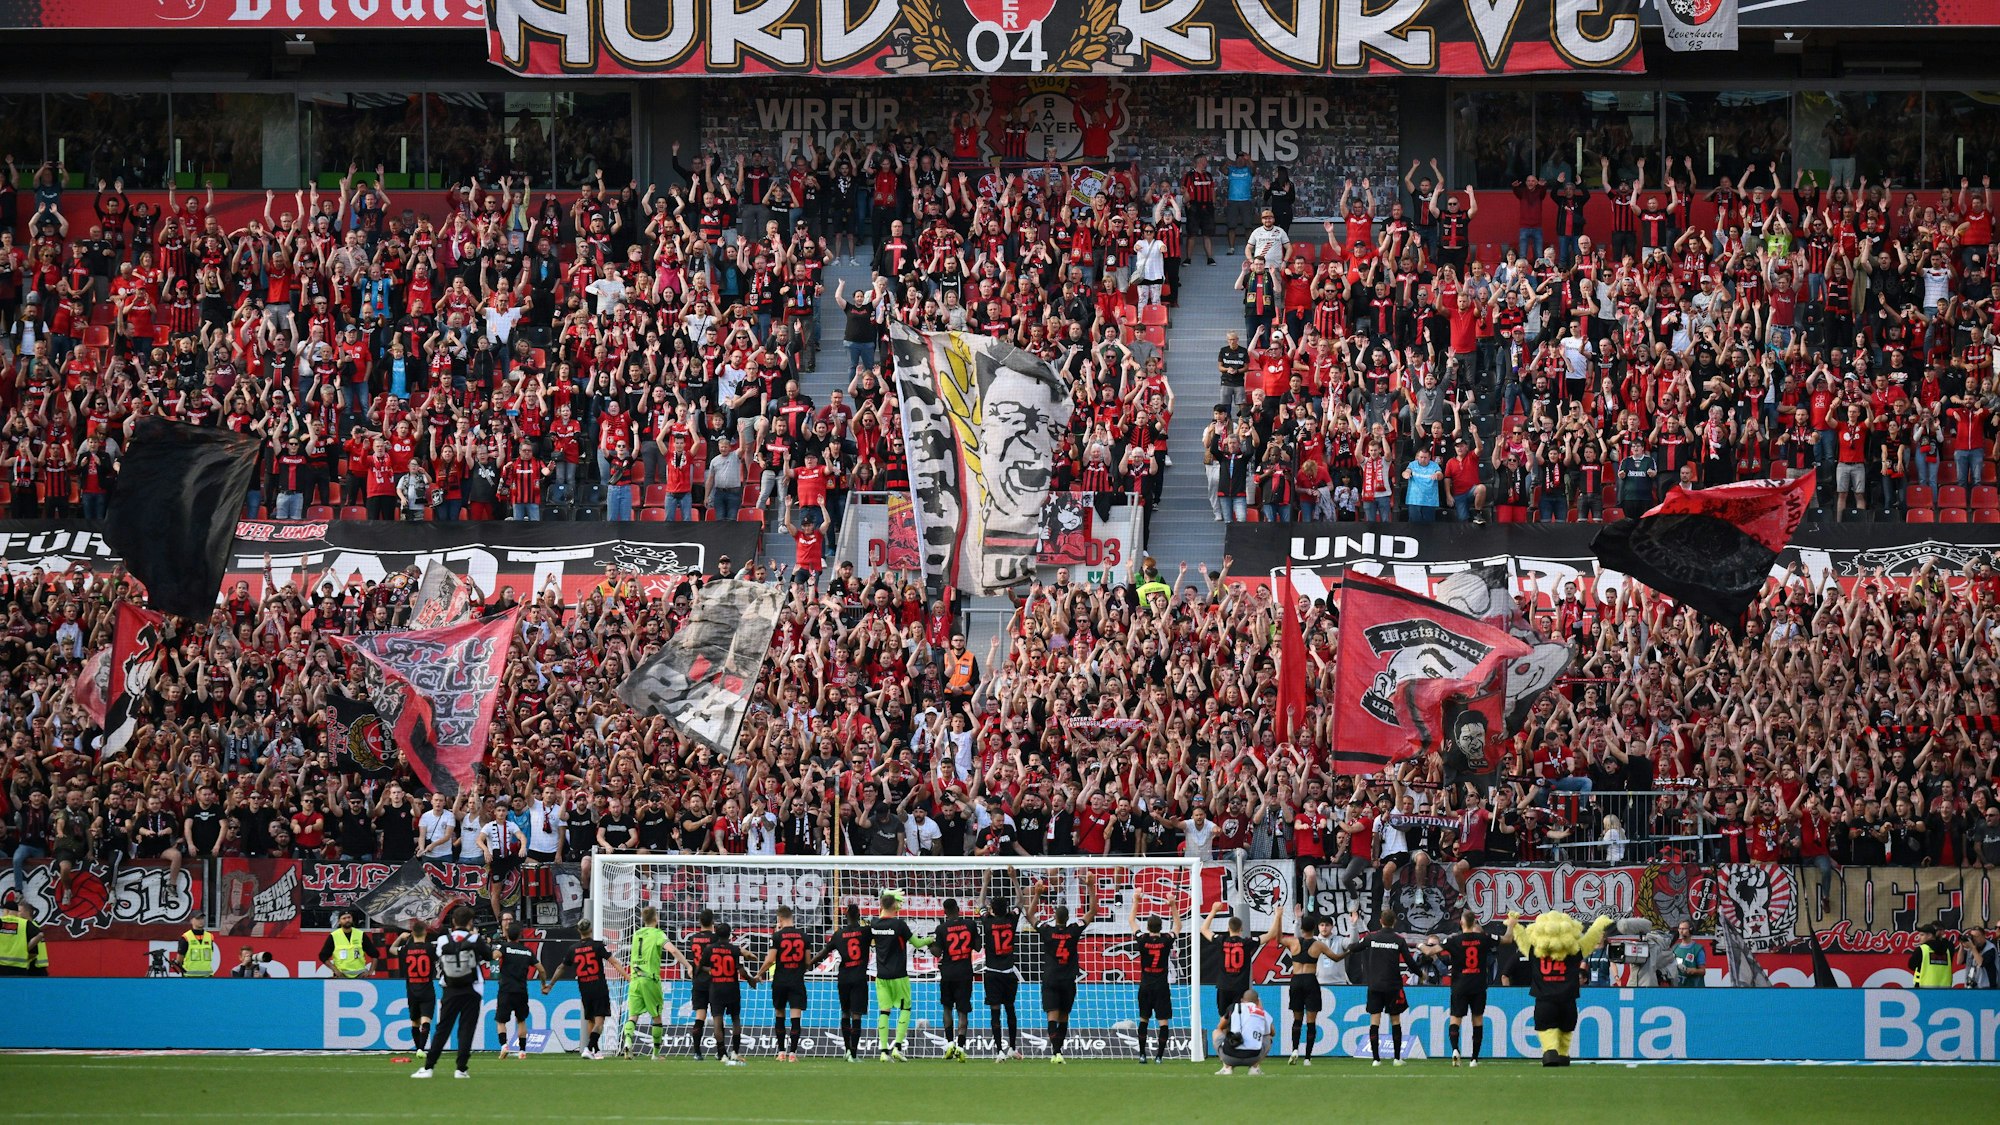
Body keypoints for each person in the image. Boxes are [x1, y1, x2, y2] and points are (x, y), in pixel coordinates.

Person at [1025, 875, 1098, 1063]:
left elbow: (1030, 916)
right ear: (1067, 918)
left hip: (1050, 978)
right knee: (1064, 1016)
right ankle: (1059, 1053)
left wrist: (1037, 895)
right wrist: (1091, 887)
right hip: (1067, 979)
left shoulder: (1047, 931)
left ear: (1055, 917)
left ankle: (1055, 1053)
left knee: (1052, 1016)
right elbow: (1092, 911)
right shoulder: (1073, 930)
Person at [413, 906, 487, 1079]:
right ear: (470, 922)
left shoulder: (443, 940)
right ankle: (461, 1069)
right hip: (473, 988)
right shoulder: (475, 938)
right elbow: (488, 956)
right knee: (466, 1029)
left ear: (453, 921)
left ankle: (428, 1067)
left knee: (443, 1028)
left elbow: (440, 957)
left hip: (450, 987)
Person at [1262, 902, 1336, 1065]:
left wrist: (1279, 916)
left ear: (1301, 928)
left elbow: (1278, 938)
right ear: (1314, 929)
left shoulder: (1293, 942)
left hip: (1295, 981)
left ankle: (1294, 1050)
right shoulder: (1318, 944)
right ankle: (1308, 1058)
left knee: (1297, 1020)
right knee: (1311, 1021)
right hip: (1310, 980)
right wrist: (1351, 950)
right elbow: (1336, 958)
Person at [1352, 908, 1421, 1066]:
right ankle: (1397, 1058)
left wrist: (1346, 949)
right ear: (1394, 922)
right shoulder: (1398, 940)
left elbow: (1355, 948)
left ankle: (1376, 1059)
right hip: (1393, 986)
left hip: (1375, 986)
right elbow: (1410, 962)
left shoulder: (1372, 938)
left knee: (1374, 1020)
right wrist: (1420, 974)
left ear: (1381, 921)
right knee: (1395, 1020)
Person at [542, 918, 620, 1059]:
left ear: (578, 930)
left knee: (590, 1020)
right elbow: (613, 961)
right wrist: (628, 977)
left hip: (584, 987)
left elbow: (561, 967)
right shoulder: (597, 946)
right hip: (599, 986)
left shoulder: (573, 949)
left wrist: (550, 985)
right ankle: (589, 1048)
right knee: (599, 1022)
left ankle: (595, 1051)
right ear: (590, 929)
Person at [621, 905, 691, 1058]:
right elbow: (672, 950)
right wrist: (688, 965)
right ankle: (655, 1054)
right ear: (656, 919)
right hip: (650, 980)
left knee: (633, 1015)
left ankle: (627, 1042)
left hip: (635, 979)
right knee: (656, 1017)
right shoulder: (658, 933)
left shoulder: (636, 934)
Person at [871, 888, 933, 1060]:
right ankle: (897, 1047)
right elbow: (918, 944)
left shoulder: (874, 925)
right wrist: (931, 939)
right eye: (898, 903)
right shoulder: (899, 925)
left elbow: (882, 908)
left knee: (884, 1012)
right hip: (899, 975)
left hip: (881, 976)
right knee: (905, 1009)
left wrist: (887, 895)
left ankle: (883, 1052)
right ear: (895, 906)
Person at [1442, 910, 1503, 1066]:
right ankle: (1474, 1059)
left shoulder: (1454, 941)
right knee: (1477, 1020)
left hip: (1459, 986)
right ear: (1474, 922)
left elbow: (1432, 950)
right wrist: (1511, 925)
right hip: (1478, 985)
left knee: (1455, 1019)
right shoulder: (1483, 939)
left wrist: (1421, 945)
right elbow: (1508, 939)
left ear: (1461, 923)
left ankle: (1455, 1049)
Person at [815, 903, 873, 1061]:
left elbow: (823, 953)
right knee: (857, 1015)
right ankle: (854, 1053)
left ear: (845, 916)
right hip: (859, 978)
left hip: (843, 978)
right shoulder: (865, 931)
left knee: (845, 1012)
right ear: (859, 916)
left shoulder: (838, 934)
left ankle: (847, 1050)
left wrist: (808, 964)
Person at [1129, 891, 1182, 1064]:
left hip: (1145, 986)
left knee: (1144, 1019)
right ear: (1160, 927)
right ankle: (1159, 1056)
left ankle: (1142, 1054)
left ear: (1148, 927)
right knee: (1163, 1021)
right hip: (1161, 986)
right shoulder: (1167, 940)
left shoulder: (1142, 939)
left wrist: (1136, 901)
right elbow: (1178, 927)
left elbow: (1131, 921)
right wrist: (1172, 904)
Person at [759, 904, 814, 1062]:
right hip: (796, 981)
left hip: (780, 981)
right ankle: (793, 1054)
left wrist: (759, 974)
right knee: (795, 1018)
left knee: (780, 1015)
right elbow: (808, 962)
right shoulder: (804, 936)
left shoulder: (776, 936)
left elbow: (770, 960)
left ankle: (781, 1052)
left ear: (780, 919)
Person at [1200, 899, 1256, 1046]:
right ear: (1241, 928)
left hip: (1224, 986)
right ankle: (1239, 1048)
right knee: (1239, 1019)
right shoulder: (1246, 943)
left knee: (1223, 1019)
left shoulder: (1221, 940)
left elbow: (1204, 929)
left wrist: (1213, 911)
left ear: (1228, 928)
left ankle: (1225, 1048)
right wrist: (1277, 916)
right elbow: (1269, 935)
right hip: (1240, 988)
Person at [931, 898, 981, 1061]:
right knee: (963, 1010)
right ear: (958, 909)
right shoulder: (970, 925)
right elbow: (978, 947)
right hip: (965, 972)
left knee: (947, 1008)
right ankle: (960, 1046)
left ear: (944, 911)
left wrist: (929, 944)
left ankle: (950, 1043)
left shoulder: (941, 928)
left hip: (948, 973)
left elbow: (938, 953)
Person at [980, 892, 1024, 1061]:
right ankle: (1012, 1047)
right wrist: (1013, 878)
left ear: (992, 910)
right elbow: (1020, 901)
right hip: (1009, 973)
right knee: (1010, 1009)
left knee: (995, 1012)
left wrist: (985, 881)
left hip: (992, 973)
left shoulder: (987, 921)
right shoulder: (1011, 919)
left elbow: (980, 903)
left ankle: (999, 1051)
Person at [704, 921, 754, 1066]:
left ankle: (722, 1054)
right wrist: (750, 980)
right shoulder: (734, 950)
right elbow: (741, 970)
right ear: (730, 934)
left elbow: (701, 967)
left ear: (716, 934)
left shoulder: (709, 949)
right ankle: (735, 1052)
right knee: (735, 1019)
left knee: (717, 1021)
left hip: (716, 988)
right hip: (732, 988)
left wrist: (711, 971)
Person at [493, 920, 539, 1060]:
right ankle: (522, 1051)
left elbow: (494, 956)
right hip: (521, 990)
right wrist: (544, 983)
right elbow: (541, 969)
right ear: (519, 935)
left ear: (507, 934)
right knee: (521, 1020)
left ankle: (504, 1046)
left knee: (501, 1021)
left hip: (506, 989)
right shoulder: (527, 951)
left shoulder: (504, 948)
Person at [389, 922, 437, 1055]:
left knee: (415, 1021)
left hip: (412, 990)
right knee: (426, 1020)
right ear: (425, 933)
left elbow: (392, 950)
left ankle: (418, 1049)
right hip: (427, 989)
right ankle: (422, 1048)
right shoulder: (430, 948)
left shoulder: (405, 949)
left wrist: (400, 938)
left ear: (412, 933)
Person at [1214, 987, 1272, 1076]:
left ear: (1242, 1000)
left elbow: (1220, 1026)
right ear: (1257, 1002)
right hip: (1254, 1057)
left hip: (1230, 1057)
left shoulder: (1234, 1007)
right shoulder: (1262, 1012)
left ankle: (1227, 1067)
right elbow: (1272, 1032)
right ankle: (1254, 1068)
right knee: (1268, 1037)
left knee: (1216, 1032)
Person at [684, 909, 717, 1059]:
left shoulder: (693, 938)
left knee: (700, 1016)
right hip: (715, 981)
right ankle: (720, 1052)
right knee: (718, 1016)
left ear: (699, 922)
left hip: (698, 981)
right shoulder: (716, 939)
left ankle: (697, 1052)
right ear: (712, 922)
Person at [318, 910, 377, 979]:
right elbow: (323, 956)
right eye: (344, 918)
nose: (347, 920)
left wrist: (370, 971)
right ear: (339, 921)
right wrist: (335, 970)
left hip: (360, 974)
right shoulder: (334, 936)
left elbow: (375, 954)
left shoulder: (361, 934)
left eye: (349, 917)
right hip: (342, 974)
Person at [0, 891, 42, 976]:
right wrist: (25, 948)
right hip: (19, 966)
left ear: (7, 910)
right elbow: (40, 935)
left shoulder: (1, 921)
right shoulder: (24, 923)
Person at [1910, 922, 1959, 988]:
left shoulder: (1922, 949)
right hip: (1945, 989)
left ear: (1930, 935)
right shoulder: (1947, 950)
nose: (1919, 937)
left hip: (1924, 988)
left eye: (1922, 935)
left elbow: (1911, 966)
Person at [175, 912, 219, 978]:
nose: (201, 920)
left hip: (207, 976)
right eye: (198, 918)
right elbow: (179, 960)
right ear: (191, 921)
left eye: (202, 918)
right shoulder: (186, 937)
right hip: (190, 976)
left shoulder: (210, 937)